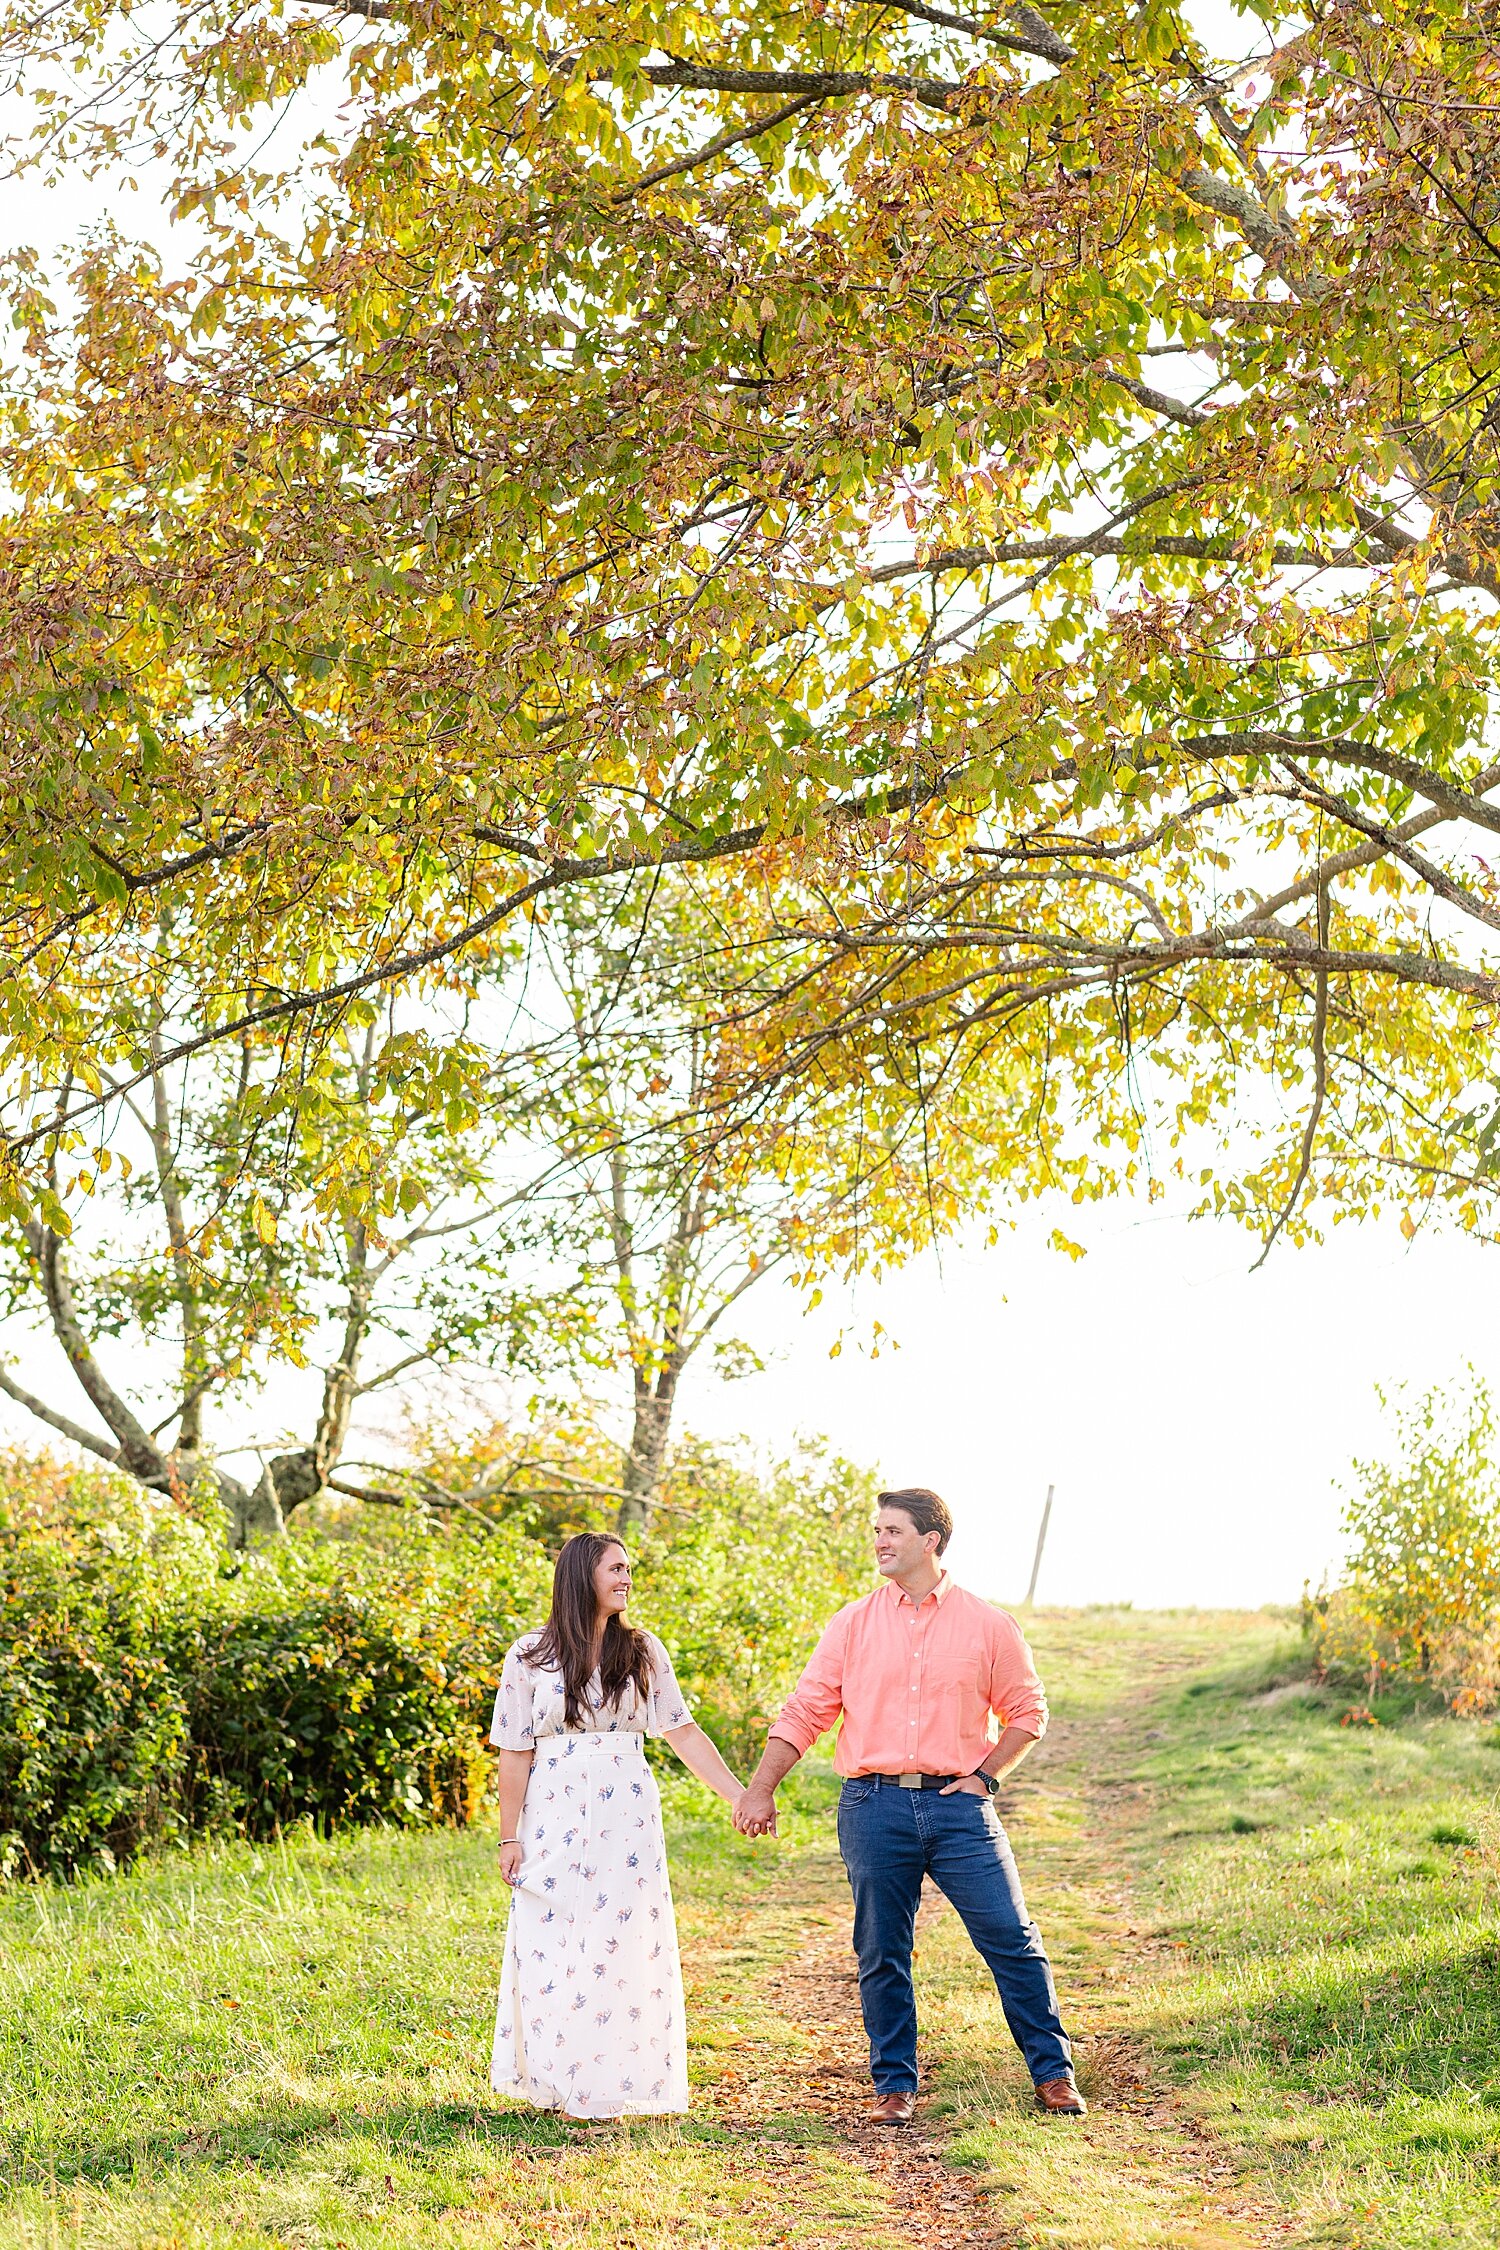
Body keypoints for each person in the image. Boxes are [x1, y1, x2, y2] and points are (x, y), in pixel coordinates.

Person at [733, 1486, 1085, 2123]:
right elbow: (807, 1711)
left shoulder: (988, 1624)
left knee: (1012, 1938)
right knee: (881, 1949)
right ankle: (894, 2085)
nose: (880, 1541)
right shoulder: (852, 1623)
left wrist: (987, 1776)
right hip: (872, 1807)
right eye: (877, 1530)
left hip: (960, 1810)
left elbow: (1027, 1712)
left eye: (893, 1530)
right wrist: (762, 1787)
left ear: (932, 1541)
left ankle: (1053, 2074)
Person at [489, 1529, 747, 2120]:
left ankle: (613, 2079)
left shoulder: (642, 1650)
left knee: (620, 1936)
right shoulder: (530, 1655)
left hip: (624, 1809)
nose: (627, 1578)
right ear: (583, 1576)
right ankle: (554, 2079)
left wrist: (741, 1796)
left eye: (630, 1569)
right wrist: (509, 1835)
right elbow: (512, 1749)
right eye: (616, 1569)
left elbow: (682, 1731)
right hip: (551, 1808)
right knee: (551, 1938)